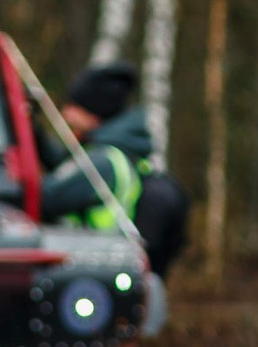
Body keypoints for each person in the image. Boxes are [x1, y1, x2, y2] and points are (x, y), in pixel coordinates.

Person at [38, 60, 190, 275]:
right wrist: (37, 136)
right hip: (103, 267)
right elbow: (67, 167)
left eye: (74, 106)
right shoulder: (117, 153)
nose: (66, 114)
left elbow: (47, 195)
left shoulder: (104, 162)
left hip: (91, 267)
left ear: (93, 112)